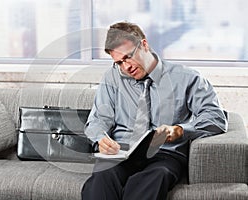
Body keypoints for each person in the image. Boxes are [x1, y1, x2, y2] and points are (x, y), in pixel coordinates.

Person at [81, 22, 228, 200]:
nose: (126, 67)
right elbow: (98, 120)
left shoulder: (187, 78)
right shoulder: (111, 78)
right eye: (119, 62)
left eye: (128, 57)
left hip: (165, 154)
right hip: (122, 151)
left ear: (144, 44)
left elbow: (215, 118)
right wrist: (101, 138)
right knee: (102, 178)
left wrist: (180, 130)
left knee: (153, 178)